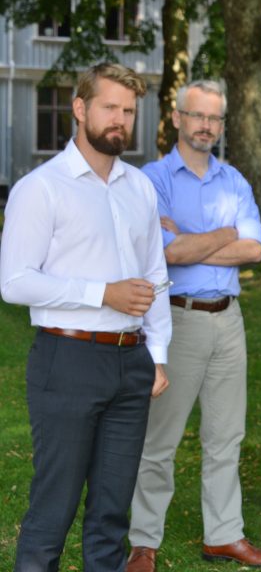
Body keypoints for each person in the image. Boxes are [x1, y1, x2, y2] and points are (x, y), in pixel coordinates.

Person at [0, 63, 171, 571]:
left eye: (128, 111)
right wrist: (103, 294)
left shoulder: (138, 187)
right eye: (109, 108)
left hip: (131, 363)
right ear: (80, 109)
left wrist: (157, 355)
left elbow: (154, 277)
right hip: (66, 359)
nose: (120, 120)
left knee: (111, 513)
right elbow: (13, 282)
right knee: (54, 507)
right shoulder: (42, 187)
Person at [125, 80, 261, 571]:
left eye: (215, 118)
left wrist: (197, 240)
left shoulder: (233, 180)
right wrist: (225, 233)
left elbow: (256, 249)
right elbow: (164, 254)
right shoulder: (152, 180)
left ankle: (223, 535)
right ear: (177, 118)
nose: (207, 126)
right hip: (178, 320)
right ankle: (144, 542)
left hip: (228, 322)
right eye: (198, 116)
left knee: (226, 436)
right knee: (159, 440)